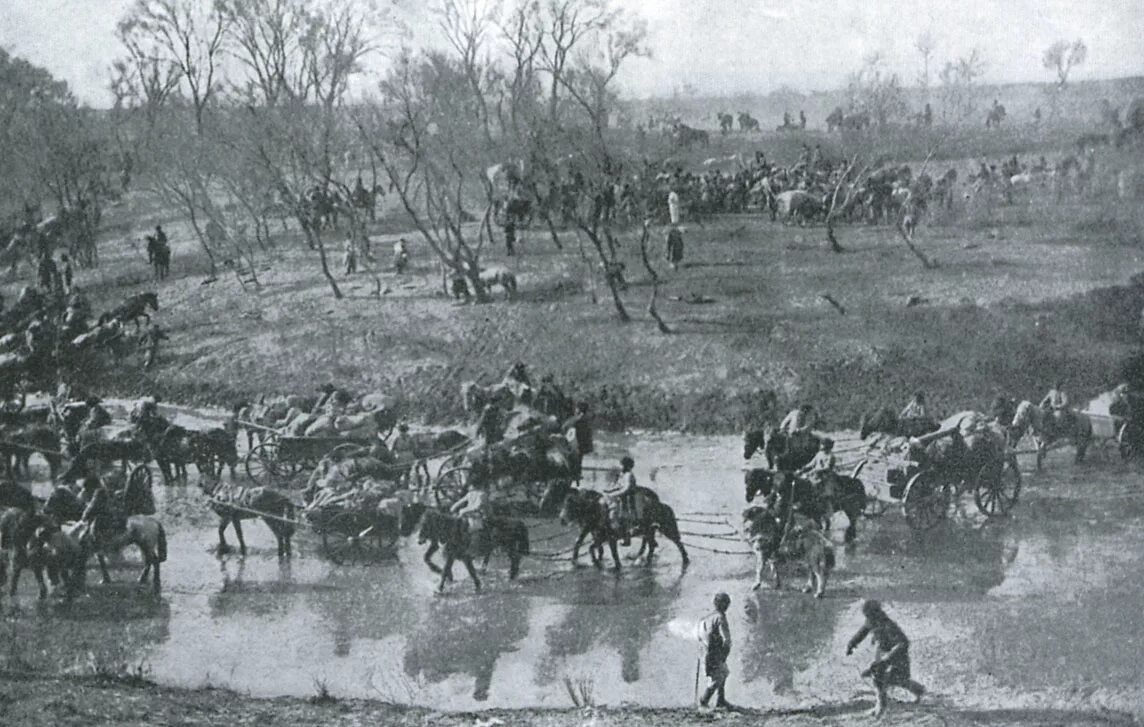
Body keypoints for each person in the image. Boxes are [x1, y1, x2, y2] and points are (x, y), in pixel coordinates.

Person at [846, 600, 925, 717]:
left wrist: (887, 658)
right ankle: (883, 704)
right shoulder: (871, 621)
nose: (869, 619)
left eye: (871, 615)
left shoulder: (888, 625)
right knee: (881, 678)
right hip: (882, 652)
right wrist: (851, 644)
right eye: (867, 616)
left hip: (897, 655)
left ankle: (884, 705)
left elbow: (904, 643)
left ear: (878, 612)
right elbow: (862, 632)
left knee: (894, 679)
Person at [696, 592, 733, 710]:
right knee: (719, 676)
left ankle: (720, 700)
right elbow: (727, 640)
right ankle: (704, 700)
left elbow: (699, 635)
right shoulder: (720, 617)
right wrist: (724, 654)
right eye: (726, 603)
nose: (727, 606)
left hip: (704, 650)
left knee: (722, 673)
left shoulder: (706, 617)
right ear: (722, 604)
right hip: (714, 652)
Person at [605, 455, 638, 546]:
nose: (620, 467)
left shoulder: (629, 475)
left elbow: (626, 489)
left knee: (622, 517)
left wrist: (614, 494)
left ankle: (626, 538)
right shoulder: (622, 475)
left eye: (622, 465)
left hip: (627, 499)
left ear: (627, 466)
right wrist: (609, 490)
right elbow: (618, 485)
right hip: (620, 497)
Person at [449, 475, 490, 550]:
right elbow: (461, 502)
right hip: (473, 514)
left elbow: (477, 506)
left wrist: (454, 508)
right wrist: (455, 508)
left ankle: (472, 547)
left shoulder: (478, 494)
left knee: (472, 527)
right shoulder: (480, 494)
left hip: (474, 514)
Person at [808, 438, 837, 525]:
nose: (821, 446)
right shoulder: (819, 454)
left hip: (827, 477)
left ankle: (829, 514)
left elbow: (827, 467)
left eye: (823, 445)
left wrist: (816, 470)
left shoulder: (831, 456)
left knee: (826, 495)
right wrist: (803, 468)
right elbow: (811, 463)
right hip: (816, 476)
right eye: (821, 444)